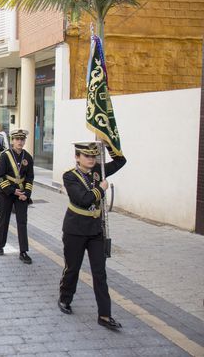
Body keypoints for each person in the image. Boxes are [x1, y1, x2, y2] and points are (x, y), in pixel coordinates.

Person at [58, 141, 126, 330]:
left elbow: (121, 161)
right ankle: (65, 298)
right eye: (87, 156)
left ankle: (104, 315)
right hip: (75, 230)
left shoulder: (100, 170)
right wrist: (101, 188)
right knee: (73, 268)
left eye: (93, 156)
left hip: (96, 230)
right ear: (77, 157)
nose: (91, 159)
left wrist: (110, 143)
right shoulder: (69, 176)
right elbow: (84, 199)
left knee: (100, 273)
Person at [0, 129, 35, 263]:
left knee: (22, 222)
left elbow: (30, 177)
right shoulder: (5, 155)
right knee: (4, 219)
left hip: (22, 194)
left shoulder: (28, 157)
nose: (19, 142)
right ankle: (0, 245)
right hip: (7, 192)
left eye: (22, 139)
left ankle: (23, 251)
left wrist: (27, 194)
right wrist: (12, 191)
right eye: (17, 139)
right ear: (12, 141)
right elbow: (0, 177)